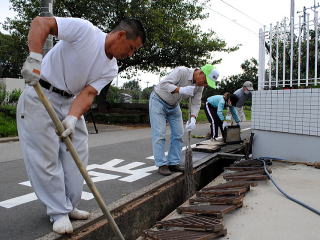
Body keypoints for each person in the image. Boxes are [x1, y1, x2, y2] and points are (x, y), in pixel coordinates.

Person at [17, 16, 145, 234]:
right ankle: (58, 212)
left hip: (69, 101)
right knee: (45, 158)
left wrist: (73, 117)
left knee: (77, 158)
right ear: (121, 35)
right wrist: (34, 58)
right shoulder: (85, 31)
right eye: (132, 48)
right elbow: (41, 23)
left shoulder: (111, 68)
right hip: (41, 94)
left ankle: (70, 205)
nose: (130, 55)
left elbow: (88, 93)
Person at [149, 64, 219, 176]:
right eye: (205, 81)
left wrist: (193, 118)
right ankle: (162, 164)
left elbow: (196, 103)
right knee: (159, 133)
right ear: (201, 73)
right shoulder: (181, 71)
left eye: (207, 84)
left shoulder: (199, 86)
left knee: (178, 133)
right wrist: (181, 89)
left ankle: (173, 163)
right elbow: (163, 84)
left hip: (174, 105)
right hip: (158, 100)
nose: (205, 85)